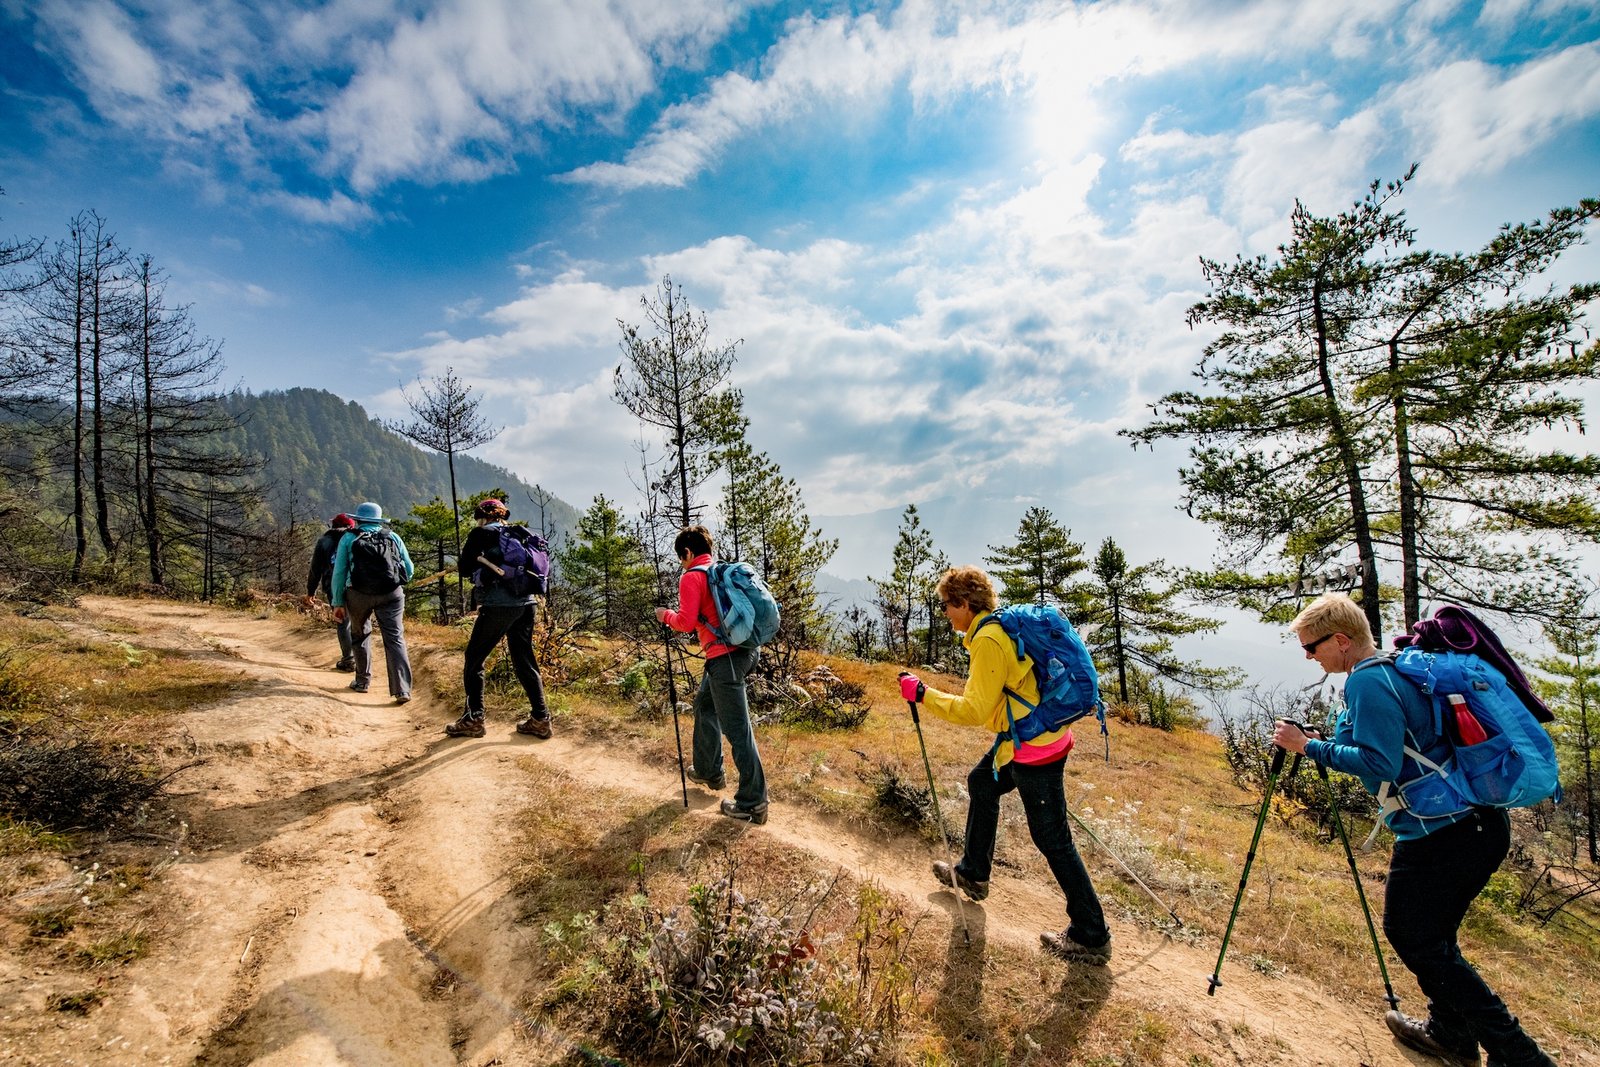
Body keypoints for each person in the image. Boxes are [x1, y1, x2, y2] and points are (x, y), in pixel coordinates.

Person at [1273, 592, 1557, 1067]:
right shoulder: (1396, 666)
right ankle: (1451, 1035)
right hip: (1476, 826)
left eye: (1312, 646)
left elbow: (1378, 762)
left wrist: (1308, 748)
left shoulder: (1367, 681)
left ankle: (1520, 1054)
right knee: (1433, 939)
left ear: (1342, 640)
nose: (1309, 656)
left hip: (1443, 835)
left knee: (1414, 935)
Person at [897, 565, 1113, 965]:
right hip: (1026, 738)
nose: (944, 612)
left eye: (947, 605)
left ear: (964, 604)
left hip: (1036, 747)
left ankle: (1091, 934)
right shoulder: (993, 629)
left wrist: (924, 694)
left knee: (1053, 839)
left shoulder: (989, 641)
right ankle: (974, 873)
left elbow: (974, 709)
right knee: (982, 781)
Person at [655, 525, 768, 824]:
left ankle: (753, 802)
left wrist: (664, 615)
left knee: (738, 730)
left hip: (724, 660)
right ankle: (708, 771)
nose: (681, 561)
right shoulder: (718, 570)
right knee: (704, 705)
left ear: (688, 553)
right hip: (746, 650)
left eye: (681, 557)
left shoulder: (692, 576)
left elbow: (685, 622)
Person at [444, 499, 552, 739]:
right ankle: (540, 718)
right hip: (527, 603)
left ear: (482, 516)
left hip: (498, 606)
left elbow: (463, 569)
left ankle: (474, 719)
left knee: (474, 658)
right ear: (503, 516)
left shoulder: (480, 534)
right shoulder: (516, 533)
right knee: (524, 660)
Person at [330, 501, 414, 705]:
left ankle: (362, 681)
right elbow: (409, 570)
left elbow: (339, 572)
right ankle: (402, 689)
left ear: (358, 520)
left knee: (359, 635)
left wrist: (338, 602)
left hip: (358, 593)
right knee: (394, 638)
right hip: (391, 594)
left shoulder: (349, 538)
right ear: (379, 520)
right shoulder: (392, 537)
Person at [303, 513, 357, 671]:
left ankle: (348, 660)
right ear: (350, 526)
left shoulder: (324, 541)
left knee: (342, 622)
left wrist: (310, 591)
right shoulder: (356, 538)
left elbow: (315, 569)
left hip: (333, 586)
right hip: (357, 585)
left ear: (333, 525)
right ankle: (363, 661)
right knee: (359, 622)